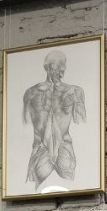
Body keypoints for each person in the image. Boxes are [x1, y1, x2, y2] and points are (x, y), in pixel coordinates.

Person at [22, 49, 86, 191]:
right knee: (31, 190)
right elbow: (25, 122)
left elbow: (82, 122)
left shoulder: (74, 92)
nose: (61, 71)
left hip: (64, 146)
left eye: (62, 66)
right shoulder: (31, 93)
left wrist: (75, 104)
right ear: (48, 67)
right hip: (40, 148)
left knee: (74, 188)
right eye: (58, 66)